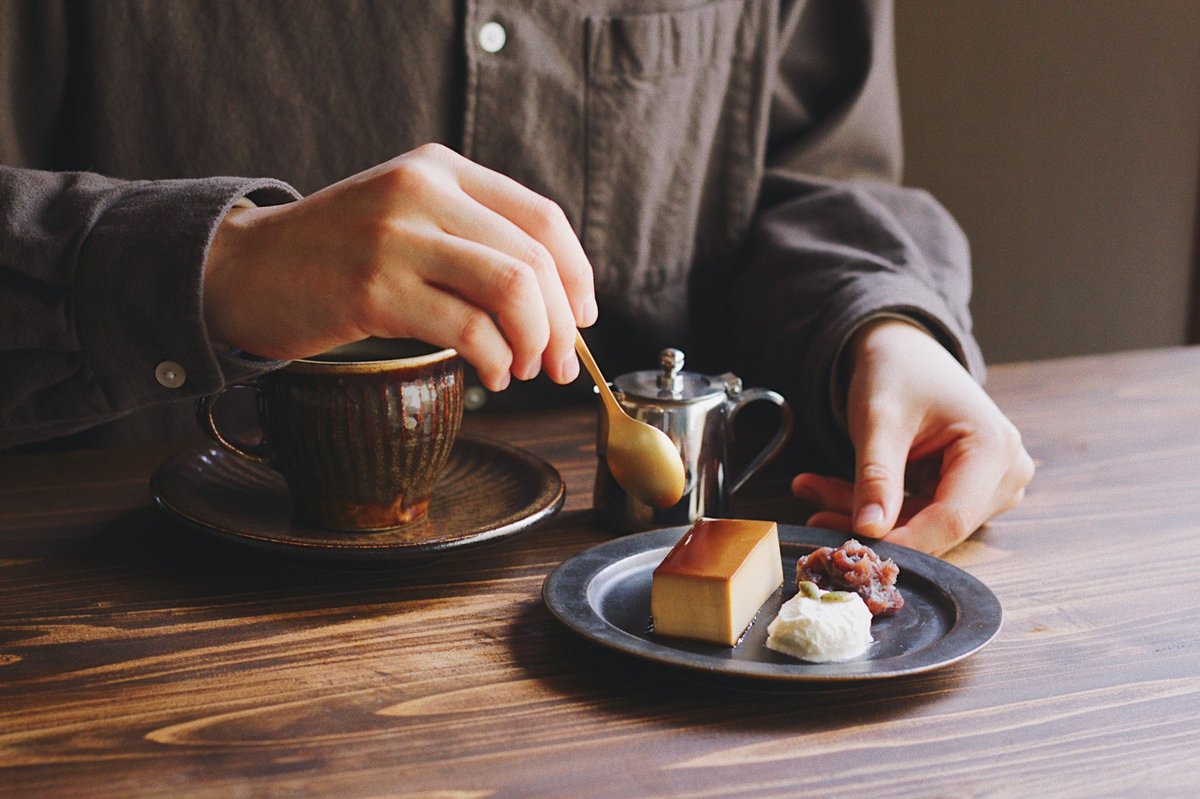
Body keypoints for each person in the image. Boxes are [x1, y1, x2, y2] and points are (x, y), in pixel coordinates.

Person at [0, 0, 1032, 555]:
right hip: (130, 611)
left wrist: (881, 329)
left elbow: (814, 175)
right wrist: (218, 261)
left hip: (638, 658)